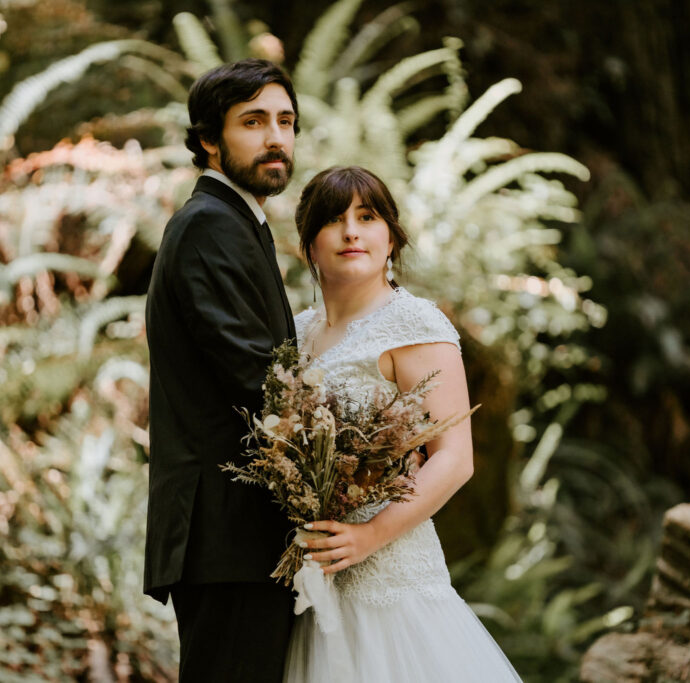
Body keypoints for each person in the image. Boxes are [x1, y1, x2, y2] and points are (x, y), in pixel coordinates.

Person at [284, 166, 522, 681]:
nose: (351, 232)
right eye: (334, 219)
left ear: (390, 238)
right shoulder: (295, 332)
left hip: (389, 574)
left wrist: (368, 535)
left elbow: (455, 459)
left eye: (367, 217)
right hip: (310, 578)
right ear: (309, 242)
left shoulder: (414, 325)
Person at [143, 59, 299, 682]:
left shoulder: (238, 222)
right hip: (227, 534)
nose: (275, 138)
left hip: (242, 537)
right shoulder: (210, 225)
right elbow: (260, 378)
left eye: (286, 122)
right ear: (210, 138)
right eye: (253, 121)